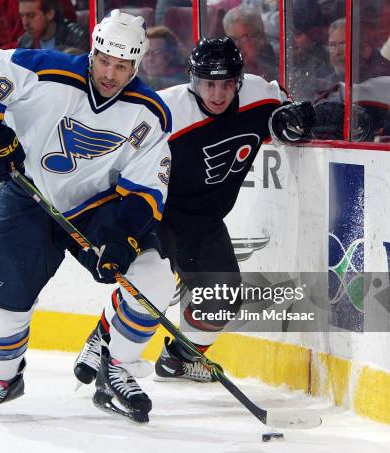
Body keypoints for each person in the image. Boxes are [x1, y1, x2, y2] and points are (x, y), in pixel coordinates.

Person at [0, 10, 174, 423]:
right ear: (93, 52)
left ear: (136, 66)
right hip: (28, 198)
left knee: (155, 278)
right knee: (2, 305)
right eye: (105, 60)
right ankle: (3, 380)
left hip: (98, 208)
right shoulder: (46, 71)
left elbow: (147, 187)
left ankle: (117, 368)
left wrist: (123, 234)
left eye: (122, 66)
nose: (110, 73)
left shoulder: (149, 114)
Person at [74, 37, 315, 384]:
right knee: (147, 288)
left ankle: (180, 358)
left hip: (204, 221)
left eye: (227, 84)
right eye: (208, 83)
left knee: (224, 298)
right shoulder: (166, 111)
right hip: (157, 214)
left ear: (240, 80)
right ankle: (103, 338)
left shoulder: (260, 96)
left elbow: (286, 114)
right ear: (193, 79)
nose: (218, 94)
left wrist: (295, 119)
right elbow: (116, 155)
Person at [222, 5, 278, 82]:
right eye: (232, 39)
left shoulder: (280, 65)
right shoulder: (224, 72)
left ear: (261, 37)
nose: (237, 46)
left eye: (245, 37)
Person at [17, 0, 88, 51]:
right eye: (22, 16)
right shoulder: (24, 42)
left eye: (31, 15)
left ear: (50, 14)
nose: (25, 23)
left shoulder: (76, 36)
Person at [139, 26, 187, 90]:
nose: (150, 59)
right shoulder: (136, 80)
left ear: (170, 55)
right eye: (146, 53)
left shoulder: (182, 84)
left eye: (157, 52)